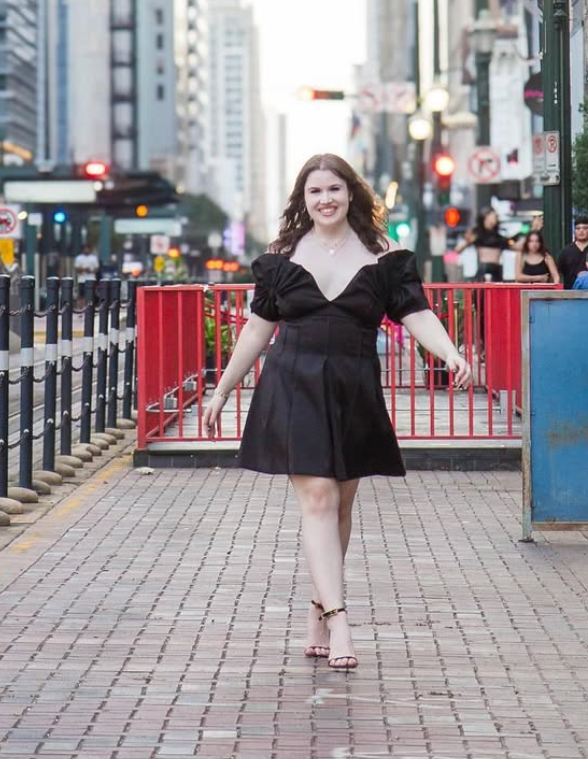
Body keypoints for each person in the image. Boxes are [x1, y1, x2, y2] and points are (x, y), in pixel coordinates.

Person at [202, 153, 470, 672]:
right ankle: (342, 619)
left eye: (334, 189)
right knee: (320, 500)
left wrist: (451, 353)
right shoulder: (282, 254)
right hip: (293, 382)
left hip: (354, 385)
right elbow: (258, 329)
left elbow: (416, 314)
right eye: (314, 192)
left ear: (352, 194)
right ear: (303, 201)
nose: (325, 199)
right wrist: (221, 390)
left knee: (342, 507)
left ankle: (318, 611)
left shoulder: (385, 254)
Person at [455, 207, 516, 281]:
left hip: (496, 269)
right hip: (483, 268)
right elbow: (458, 249)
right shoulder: (477, 233)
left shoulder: (500, 236)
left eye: (496, 216)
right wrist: (468, 242)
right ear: (486, 216)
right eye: (493, 216)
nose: (495, 218)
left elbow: (514, 246)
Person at [556, 217, 588, 290]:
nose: (581, 231)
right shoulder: (565, 251)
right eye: (577, 228)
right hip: (570, 294)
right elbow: (557, 274)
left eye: (585, 228)